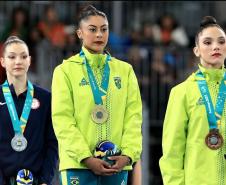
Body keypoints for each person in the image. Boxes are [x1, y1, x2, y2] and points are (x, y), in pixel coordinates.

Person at [51, 5, 142, 185]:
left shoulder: (125, 71)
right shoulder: (65, 71)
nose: (99, 34)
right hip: (78, 165)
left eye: (104, 29)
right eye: (92, 30)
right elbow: (62, 120)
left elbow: (134, 117)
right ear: (79, 33)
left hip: (116, 164)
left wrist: (128, 155)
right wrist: (86, 158)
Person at [159, 16, 226, 185]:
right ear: (196, 50)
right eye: (208, 42)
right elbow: (172, 152)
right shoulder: (182, 92)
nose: (216, 46)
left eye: (221, 41)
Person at [0, 36, 58, 185]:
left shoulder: (45, 98)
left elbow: (52, 144)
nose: (18, 61)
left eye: (23, 56)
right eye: (12, 57)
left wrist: (45, 180)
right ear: (3, 61)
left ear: (30, 60)